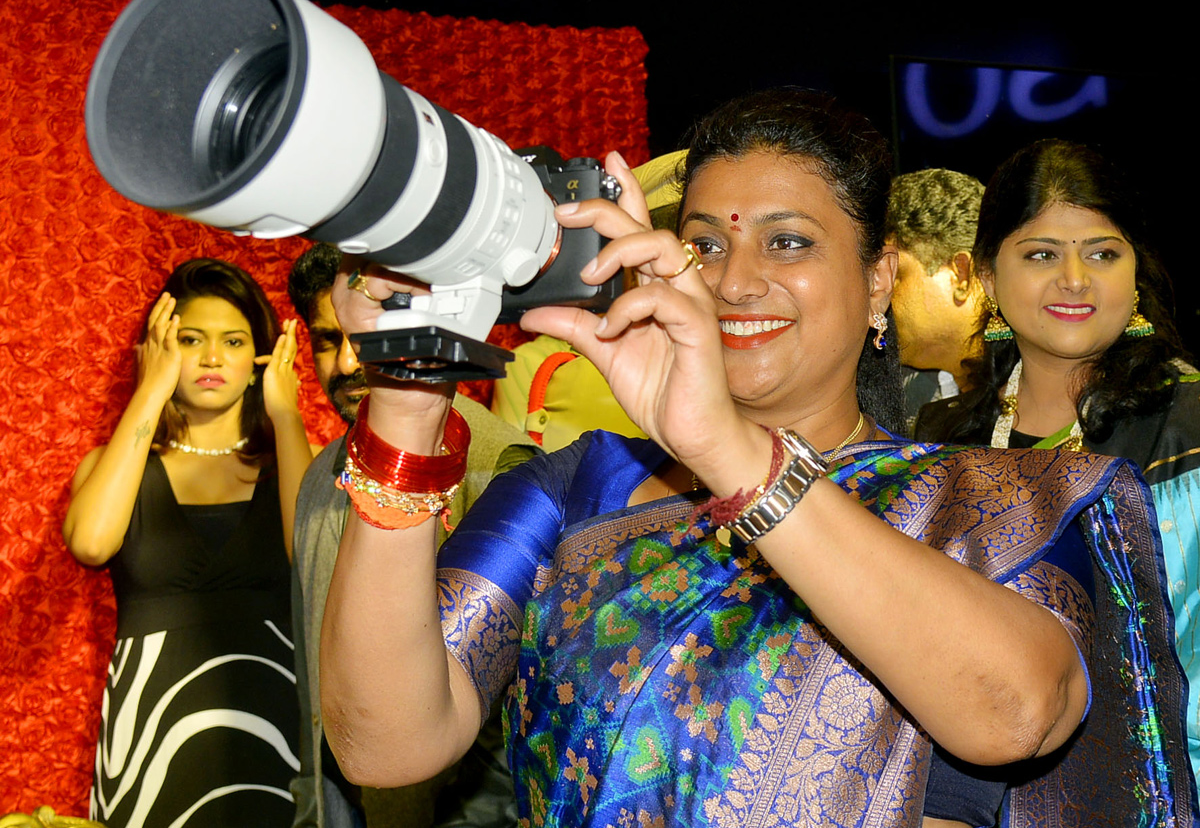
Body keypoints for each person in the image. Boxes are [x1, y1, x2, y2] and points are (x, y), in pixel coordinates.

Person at [318, 92, 1196, 826]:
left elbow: (1017, 714)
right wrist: (406, 397)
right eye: (704, 243)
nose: (735, 282)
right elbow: (383, 743)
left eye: (788, 242)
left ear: (881, 277)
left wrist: (735, 454)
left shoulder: (998, 504)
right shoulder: (577, 494)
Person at [915, 138, 1200, 786]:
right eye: (1041, 254)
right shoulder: (937, 440)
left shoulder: (1184, 429)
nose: (1075, 279)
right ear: (986, 274)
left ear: (1135, 273)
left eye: (1102, 253)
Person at [285, 243, 539, 828]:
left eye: (367, 332)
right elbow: (313, 686)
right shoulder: (320, 478)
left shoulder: (497, 463)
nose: (348, 360)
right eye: (327, 339)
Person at [63, 258, 314, 828]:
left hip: (276, 731)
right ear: (159, 348)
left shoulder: (293, 465)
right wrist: (151, 389)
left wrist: (285, 412)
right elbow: (91, 545)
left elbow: (311, 559)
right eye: (190, 340)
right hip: (149, 745)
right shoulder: (113, 468)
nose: (209, 357)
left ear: (259, 358)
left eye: (233, 340)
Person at [884, 168, 986, 434]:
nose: (877, 293)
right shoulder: (923, 399)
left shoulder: (1043, 391)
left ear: (960, 275)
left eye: (895, 274)